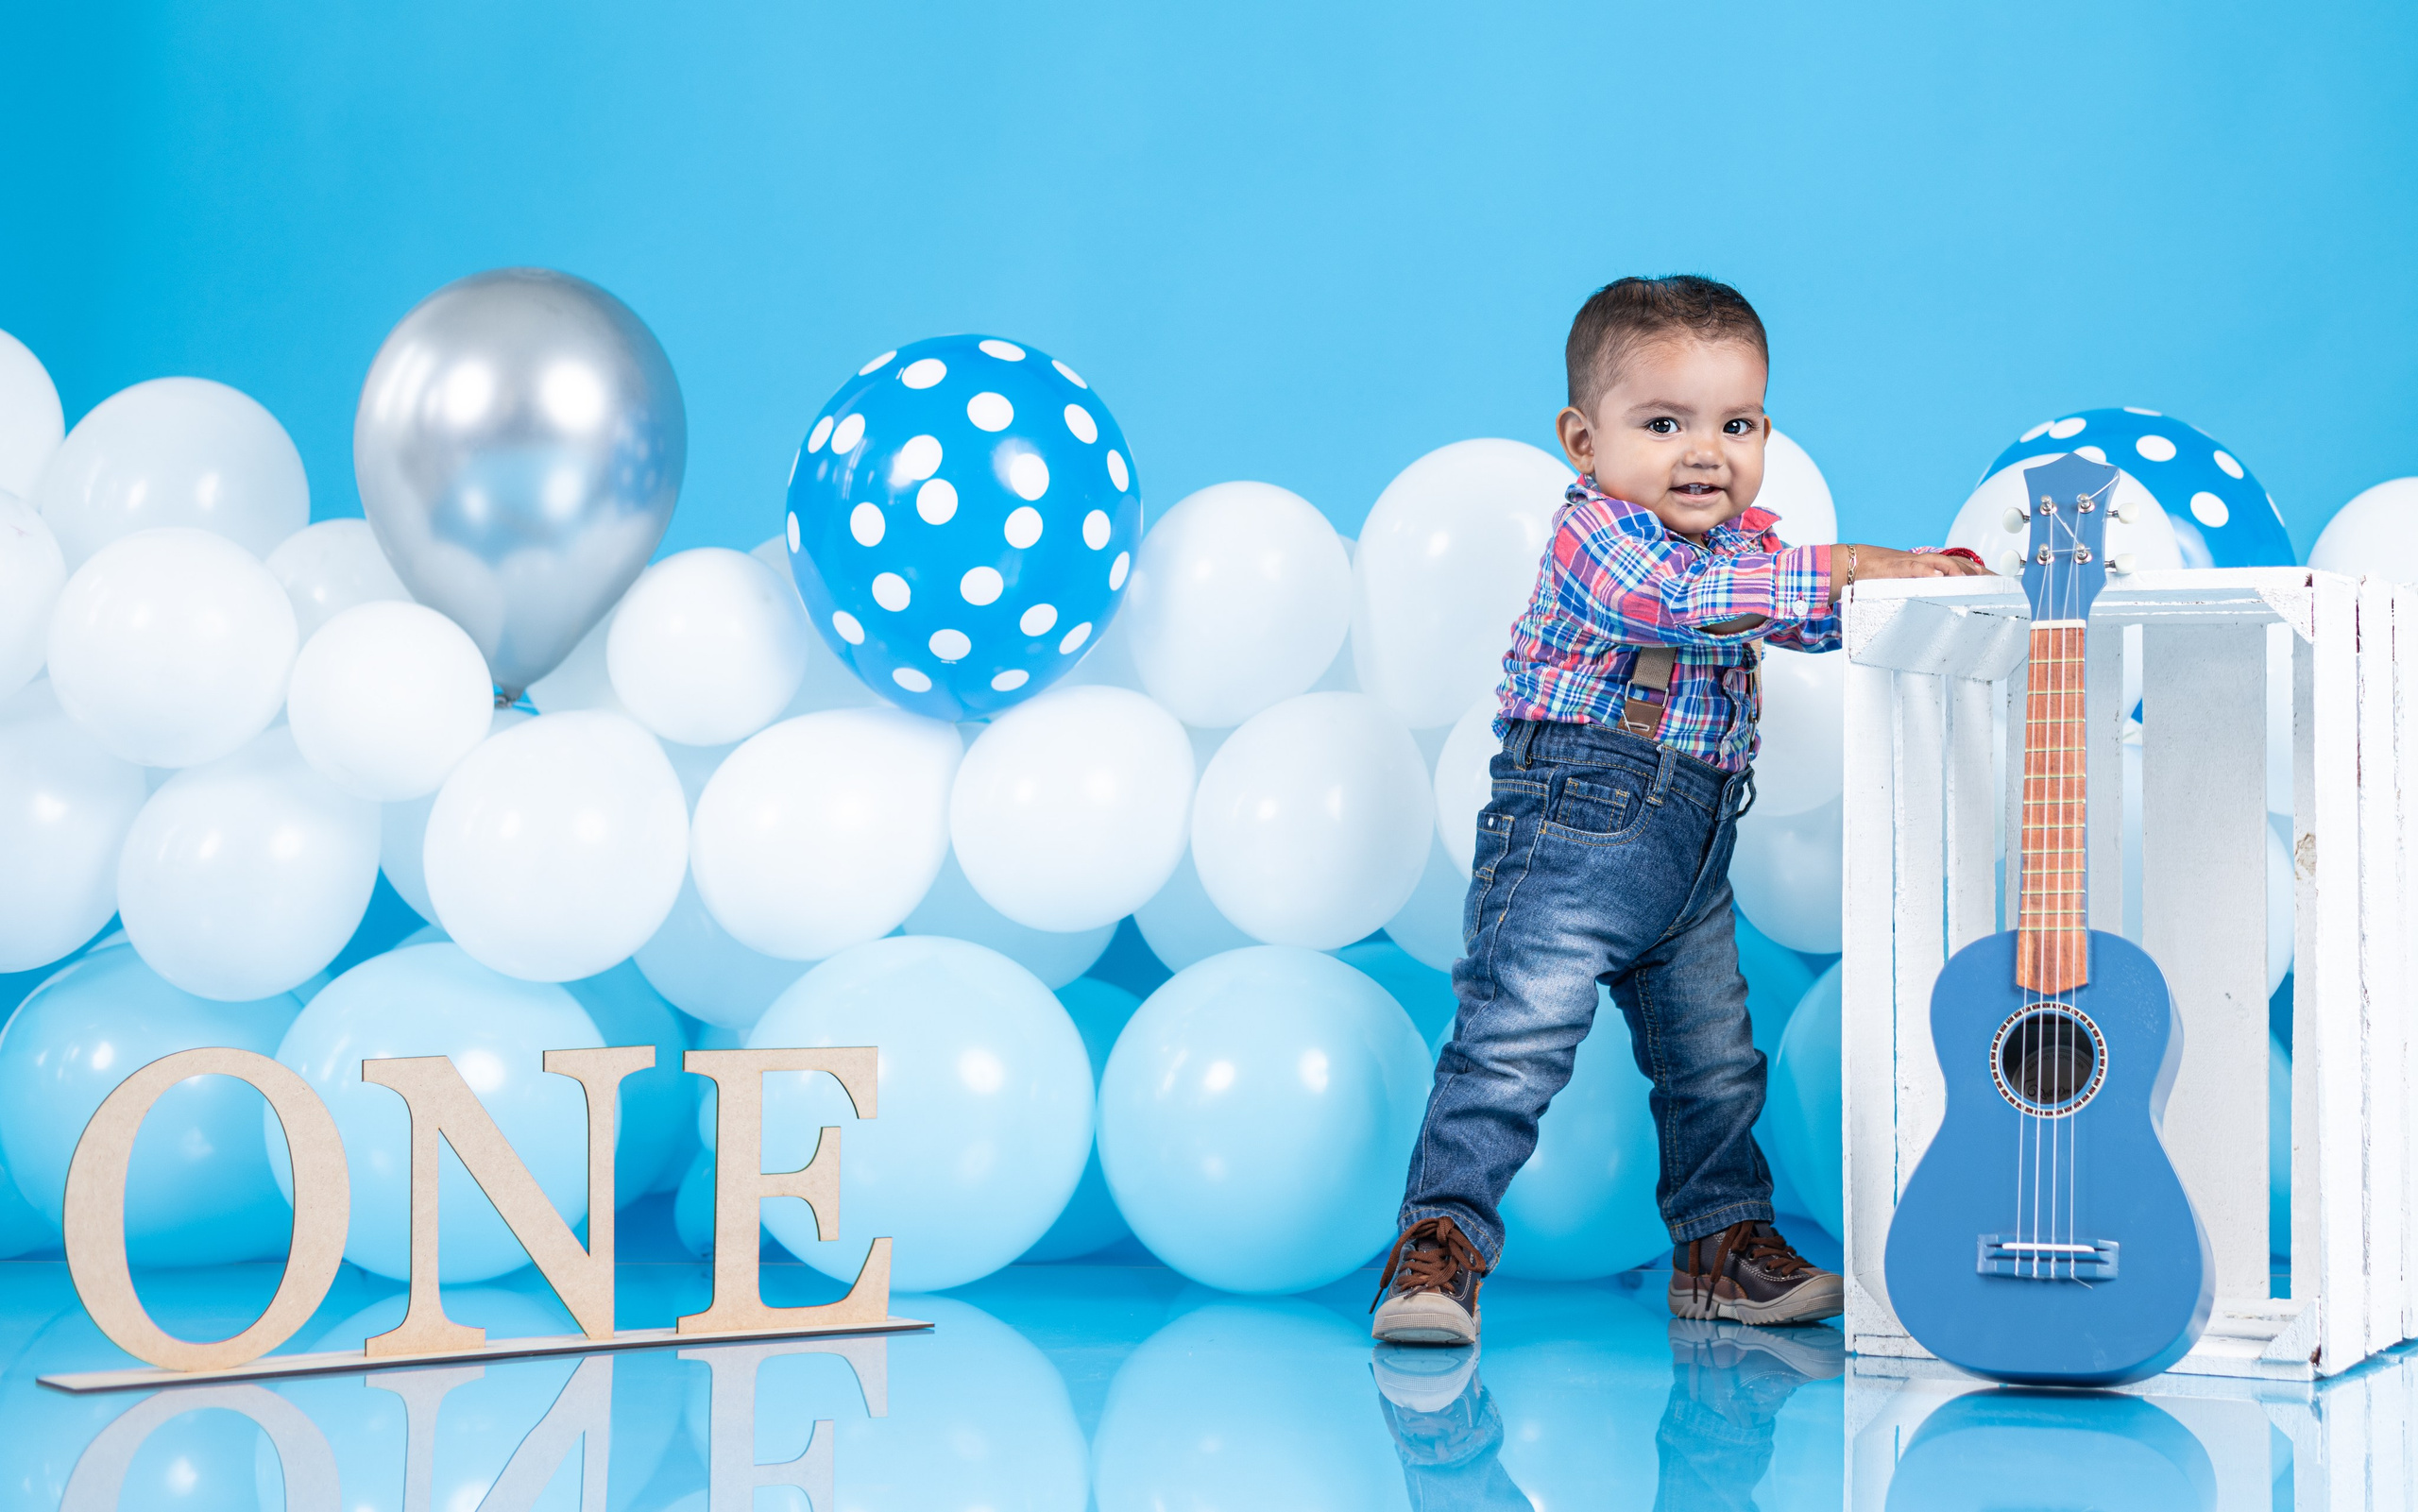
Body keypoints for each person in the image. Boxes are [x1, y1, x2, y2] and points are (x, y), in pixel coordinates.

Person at [1371, 275, 1985, 1346]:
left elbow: (1804, 617)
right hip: (1573, 820)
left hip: (1691, 841)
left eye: (1735, 424)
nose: (1706, 453)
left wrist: (1919, 589)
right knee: (1514, 1039)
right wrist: (1847, 568)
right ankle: (1439, 1246)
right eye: (1664, 424)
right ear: (1582, 438)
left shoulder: (1745, 548)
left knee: (1714, 1060)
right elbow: (1679, 604)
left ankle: (1721, 1248)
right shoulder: (1598, 539)